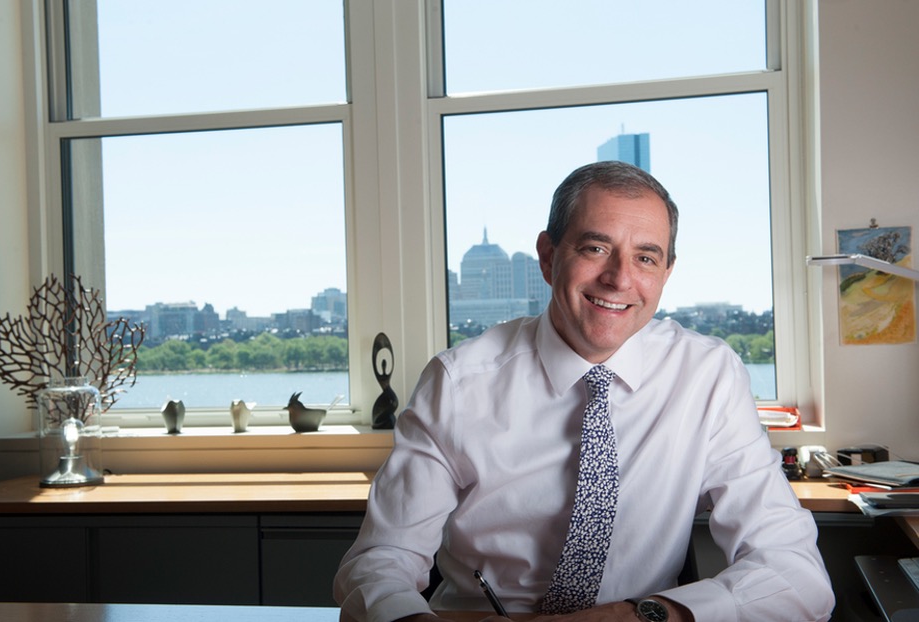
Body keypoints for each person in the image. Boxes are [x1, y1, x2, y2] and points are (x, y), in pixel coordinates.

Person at [334, 161, 834, 622]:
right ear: (548, 257)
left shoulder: (708, 375)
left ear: (666, 274)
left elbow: (798, 575)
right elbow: (381, 561)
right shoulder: (459, 382)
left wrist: (642, 615)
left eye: (645, 258)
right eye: (595, 249)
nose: (619, 279)